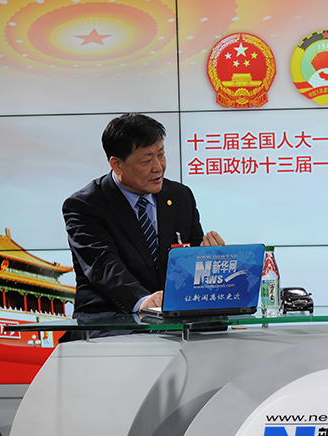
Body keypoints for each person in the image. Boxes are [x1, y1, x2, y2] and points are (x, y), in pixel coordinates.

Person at [63, 113, 224, 314]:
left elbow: (190, 260)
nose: (159, 167)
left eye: (161, 155)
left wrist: (208, 261)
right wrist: (142, 301)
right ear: (117, 164)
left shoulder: (180, 196)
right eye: (147, 161)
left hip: (174, 316)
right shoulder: (84, 205)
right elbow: (104, 266)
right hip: (113, 318)